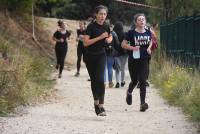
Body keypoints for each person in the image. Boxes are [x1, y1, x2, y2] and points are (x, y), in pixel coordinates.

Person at [83, 5, 112, 116]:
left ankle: (101, 106)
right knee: (94, 80)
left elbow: (110, 36)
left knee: (101, 80)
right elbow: (86, 43)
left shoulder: (106, 25)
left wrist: (109, 39)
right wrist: (100, 37)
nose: (102, 16)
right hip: (90, 56)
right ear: (96, 14)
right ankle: (96, 103)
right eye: (100, 14)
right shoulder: (91, 26)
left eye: (104, 14)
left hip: (101, 55)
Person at [122, 13, 152, 112]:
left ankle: (142, 104)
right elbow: (123, 44)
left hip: (144, 59)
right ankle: (129, 92)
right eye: (140, 19)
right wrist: (133, 48)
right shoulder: (131, 33)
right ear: (136, 22)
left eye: (143, 19)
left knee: (143, 81)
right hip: (133, 60)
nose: (142, 21)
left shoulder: (148, 32)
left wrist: (149, 48)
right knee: (134, 81)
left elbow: (151, 41)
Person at [112, 21, 128, 88]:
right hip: (124, 53)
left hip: (116, 53)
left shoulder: (113, 34)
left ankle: (117, 82)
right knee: (122, 68)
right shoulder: (125, 34)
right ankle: (122, 81)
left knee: (117, 69)